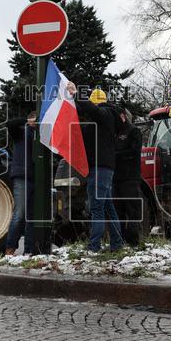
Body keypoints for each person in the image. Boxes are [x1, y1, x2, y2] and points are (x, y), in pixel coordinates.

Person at [68, 84, 124, 252]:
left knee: (96, 209)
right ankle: (117, 243)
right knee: (108, 208)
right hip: (104, 169)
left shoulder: (105, 114)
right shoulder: (103, 123)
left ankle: (94, 246)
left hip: (100, 169)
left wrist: (76, 94)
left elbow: (93, 111)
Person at [4, 111, 36, 255]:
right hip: (22, 177)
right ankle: (10, 249)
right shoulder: (21, 132)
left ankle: (28, 250)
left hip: (35, 179)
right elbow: (9, 124)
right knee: (19, 213)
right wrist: (27, 120)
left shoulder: (40, 135)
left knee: (31, 217)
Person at [113, 106, 144, 247]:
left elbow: (134, 151)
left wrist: (115, 155)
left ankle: (133, 242)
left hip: (130, 177)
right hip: (116, 178)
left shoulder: (134, 131)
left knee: (132, 210)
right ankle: (119, 240)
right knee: (118, 210)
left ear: (124, 116)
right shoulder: (115, 133)